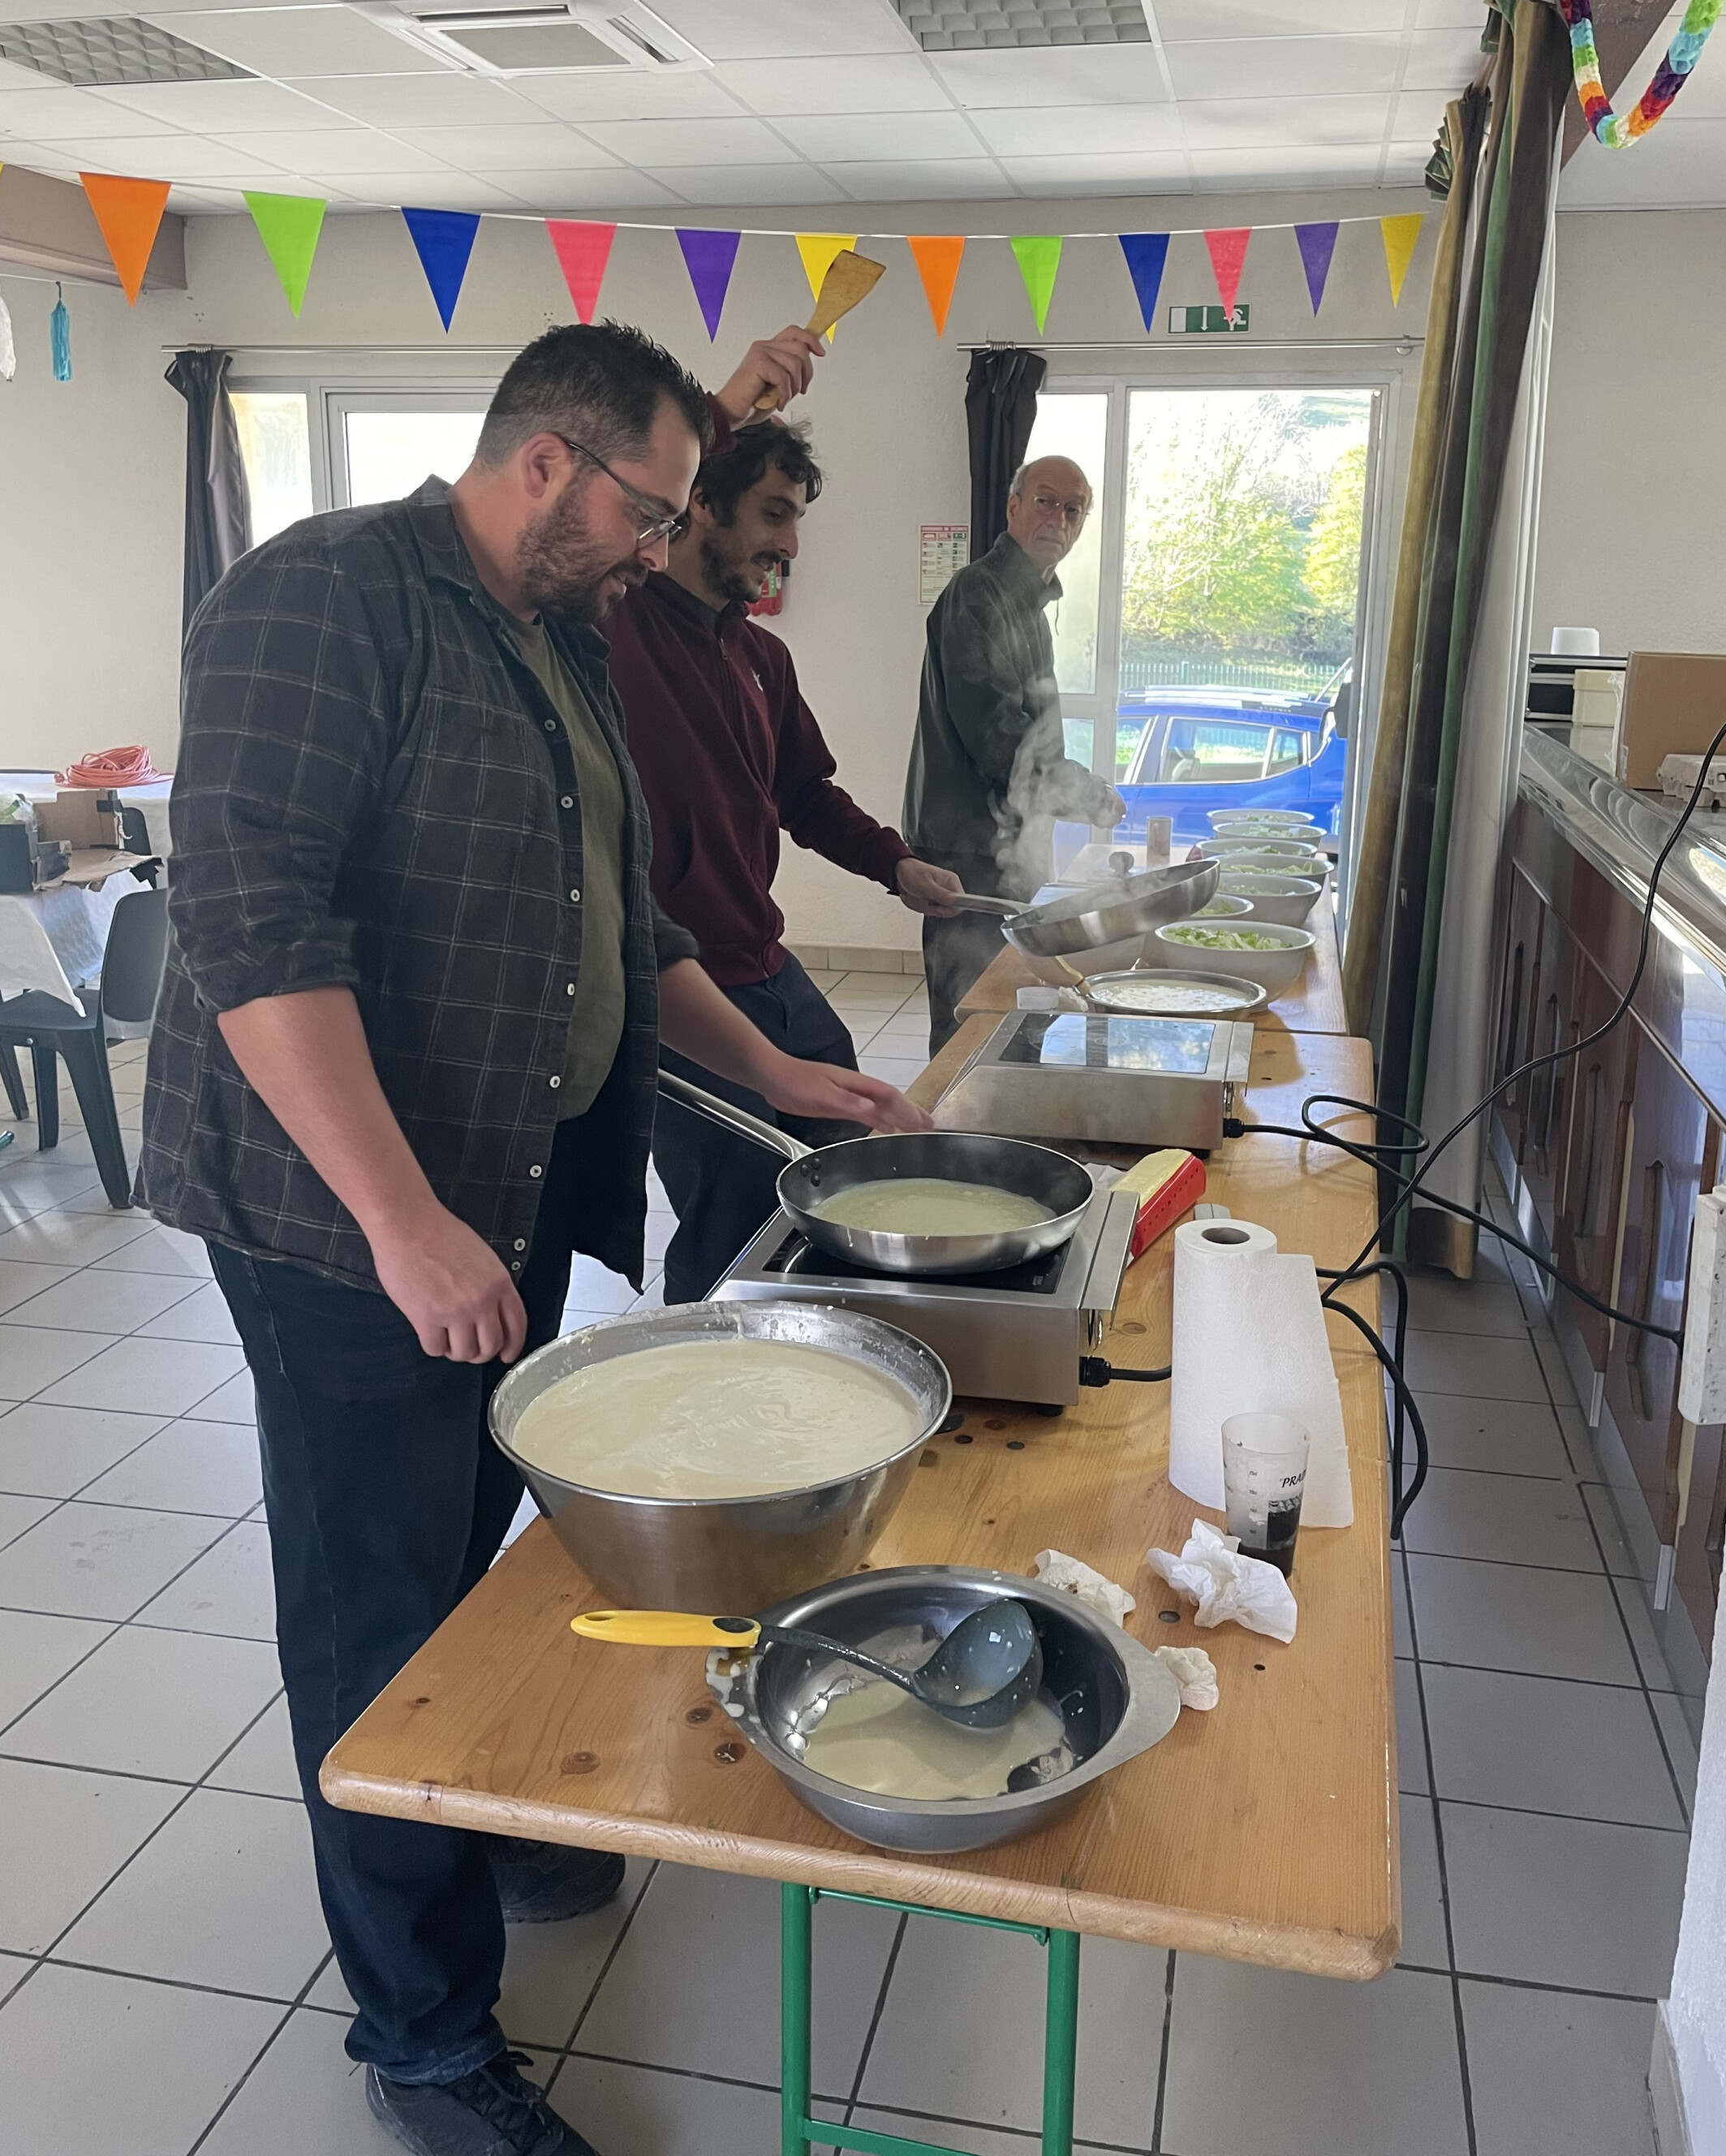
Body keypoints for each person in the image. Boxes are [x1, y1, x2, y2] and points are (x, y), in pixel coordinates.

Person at [139, 321, 927, 2156]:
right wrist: (399, 1219)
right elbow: (252, 923)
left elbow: (623, 913)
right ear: (548, 462)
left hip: (513, 1174)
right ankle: (422, 2037)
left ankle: (454, 1816)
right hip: (347, 1216)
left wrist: (774, 1066)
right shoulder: (325, 596)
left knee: (472, 1533)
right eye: (652, 508)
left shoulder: (561, 625)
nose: (668, 545)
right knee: (375, 1596)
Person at [606, 417, 963, 1299]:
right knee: (732, 1219)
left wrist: (895, 865)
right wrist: (720, 407)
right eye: (773, 513)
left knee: (842, 1162)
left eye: (796, 518)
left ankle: (819, 1328)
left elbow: (803, 794)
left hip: (770, 968)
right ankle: (709, 1351)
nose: (790, 545)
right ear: (699, 502)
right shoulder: (614, 632)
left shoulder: (763, 656)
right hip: (677, 988)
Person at [903, 454, 1123, 1053]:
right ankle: (957, 1114)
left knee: (1018, 1007)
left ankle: (1001, 1108)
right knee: (975, 1014)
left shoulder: (1028, 604)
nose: (1059, 518)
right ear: (1013, 507)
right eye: (1046, 501)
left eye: (1073, 509)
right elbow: (1000, 738)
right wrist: (1087, 795)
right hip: (969, 848)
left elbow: (1031, 738)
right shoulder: (979, 593)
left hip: (1007, 842)